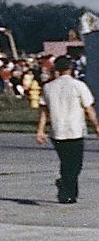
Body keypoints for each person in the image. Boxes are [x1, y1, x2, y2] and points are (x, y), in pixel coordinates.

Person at [36, 56, 98, 205]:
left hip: (57, 130)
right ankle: (67, 192)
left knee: (66, 163)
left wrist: (40, 130)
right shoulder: (79, 85)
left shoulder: (48, 87)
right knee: (75, 165)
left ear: (56, 69)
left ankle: (67, 191)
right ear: (71, 68)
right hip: (75, 130)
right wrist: (96, 125)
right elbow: (88, 108)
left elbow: (44, 111)